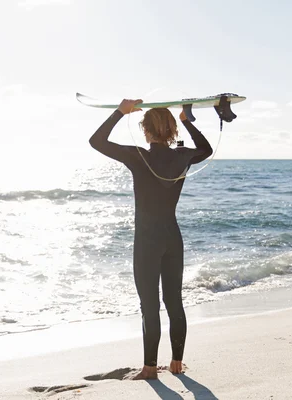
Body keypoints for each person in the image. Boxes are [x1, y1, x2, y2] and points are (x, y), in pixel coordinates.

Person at [89, 99, 212, 380]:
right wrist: (187, 120)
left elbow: (96, 141)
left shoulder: (137, 156)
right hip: (172, 236)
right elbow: (206, 150)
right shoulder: (183, 156)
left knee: (149, 304)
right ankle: (177, 362)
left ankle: (149, 368)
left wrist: (120, 112)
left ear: (145, 130)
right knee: (174, 302)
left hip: (147, 239)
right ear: (171, 130)